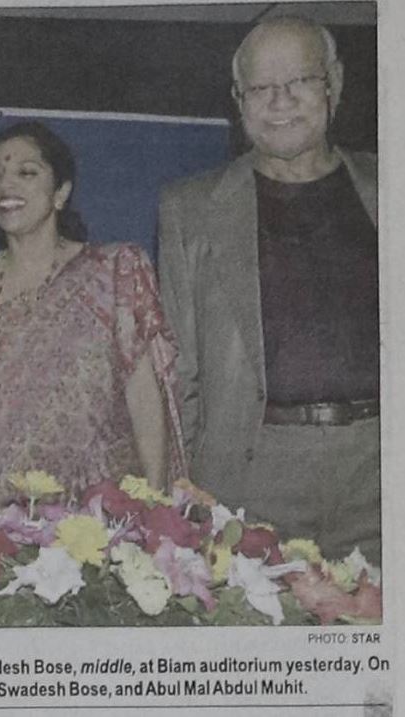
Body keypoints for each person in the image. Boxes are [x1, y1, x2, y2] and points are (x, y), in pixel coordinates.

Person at [158, 17, 378, 561]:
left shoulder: (390, 187)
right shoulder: (189, 209)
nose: (280, 102)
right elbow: (180, 375)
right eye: (260, 88)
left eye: (299, 81)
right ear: (239, 101)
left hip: (379, 469)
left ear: (333, 84)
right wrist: (183, 505)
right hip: (250, 479)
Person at [0, 121, 187, 510]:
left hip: (99, 507)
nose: (7, 185)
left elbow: (143, 393)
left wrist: (154, 502)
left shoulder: (114, 271)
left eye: (27, 172)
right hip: (1, 504)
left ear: (60, 192)